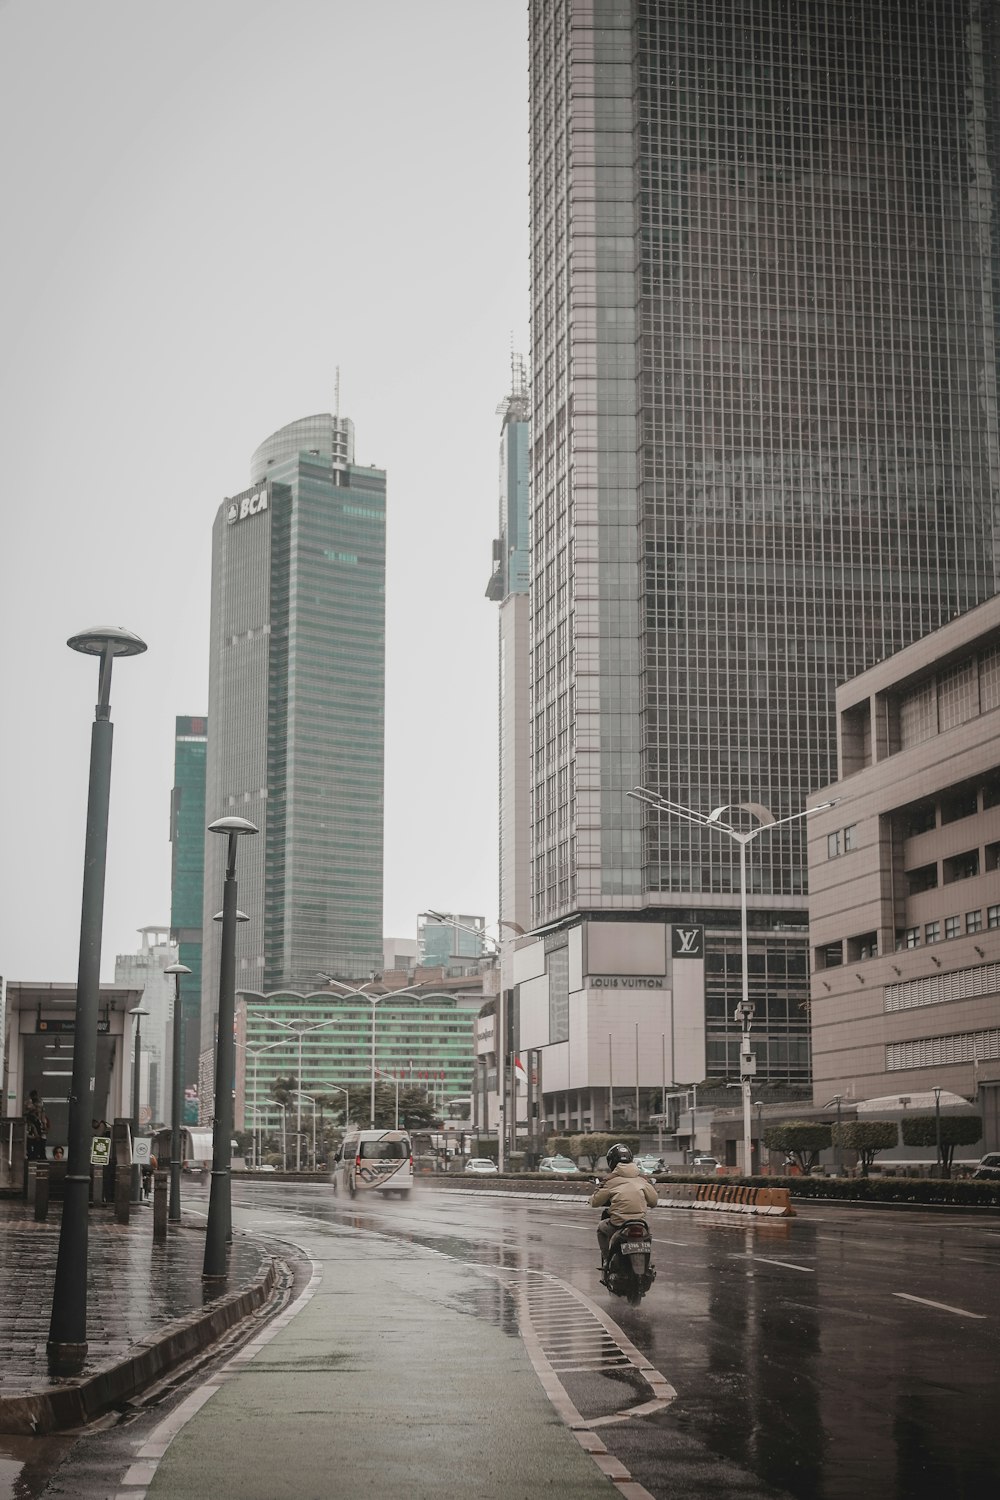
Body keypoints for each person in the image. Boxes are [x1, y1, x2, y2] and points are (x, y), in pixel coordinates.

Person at [590, 1143, 657, 1269]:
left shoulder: (610, 1180)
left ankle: (606, 1261)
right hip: (640, 1223)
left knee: (601, 1228)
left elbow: (595, 1202)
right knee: (648, 1235)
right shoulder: (642, 1178)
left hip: (618, 1224)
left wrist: (597, 1191)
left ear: (611, 1162)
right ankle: (648, 1264)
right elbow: (653, 1202)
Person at [25, 1091, 49, 1162]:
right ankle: (36, 1156)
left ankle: (38, 1155)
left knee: (38, 1147)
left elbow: (43, 1118)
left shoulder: (38, 1114)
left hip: (37, 1133)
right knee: (34, 1147)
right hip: (33, 1133)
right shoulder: (31, 1111)